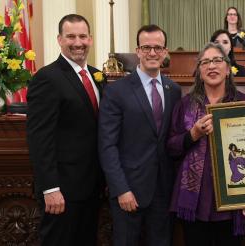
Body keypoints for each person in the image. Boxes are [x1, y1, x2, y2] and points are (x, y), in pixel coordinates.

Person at [98, 25, 181, 246]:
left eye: (157, 48)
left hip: (163, 191)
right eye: (146, 47)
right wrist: (121, 189)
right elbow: (107, 146)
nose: (152, 53)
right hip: (129, 191)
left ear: (165, 52)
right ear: (137, 51)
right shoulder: (116, 91)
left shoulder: (174, 90)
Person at [26, 14, 105, 245]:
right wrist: (50, 188)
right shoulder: (46, 78)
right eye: (71, 36)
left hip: (92, 188)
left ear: (90, 39)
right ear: (59, 39)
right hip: (62, 191)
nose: (77, 42)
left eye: (82, 36)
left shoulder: (96, 75)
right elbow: (40, 139)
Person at [167, 42, 245, 246]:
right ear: (199, 70)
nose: (211, 66)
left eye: (217, 60)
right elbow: (171, 146)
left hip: (233, 200)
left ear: (228, 68)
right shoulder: (185, 105)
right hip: (195, 200)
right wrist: (192, 134)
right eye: (205, 62)